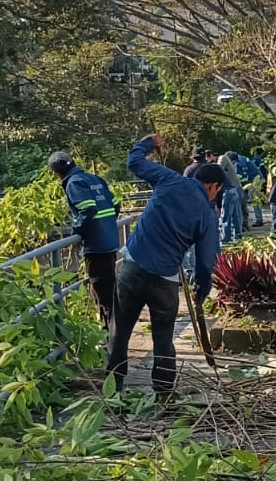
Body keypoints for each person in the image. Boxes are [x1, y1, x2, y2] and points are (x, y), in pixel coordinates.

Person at [114, 133, 222, 396]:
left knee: (120, 331)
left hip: (132, 268)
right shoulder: (206, 215)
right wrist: (202, 290)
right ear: (213, 186)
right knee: (163, 337)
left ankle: (113, 386)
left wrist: (148, 142)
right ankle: (163, 393)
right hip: (164, 280)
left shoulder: (168, 178)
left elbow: (134, 161)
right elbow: (206, 260)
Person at [49, 151, 122, 342]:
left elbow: (87, 209)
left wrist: (78, 230)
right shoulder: (94, 178)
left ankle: (111, 340)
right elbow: (115, 205)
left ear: (57, 173)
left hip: (96, 245)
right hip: (109, 240)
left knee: (102, 292)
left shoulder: (74, 183)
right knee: (110, 287)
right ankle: (115, 335)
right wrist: (106, 226)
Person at [218, 151, 244, 244]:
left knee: (226, 216)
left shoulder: (223, 158)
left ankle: (225, 240)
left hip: (229, 191)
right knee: (236, 215)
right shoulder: (229, 166)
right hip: (236, 190)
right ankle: (238, 237)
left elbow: (218, 170)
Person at [236, 152, 265, 227]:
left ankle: (259, 220)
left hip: (255, 180)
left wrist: (243, 186)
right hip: (255, 178)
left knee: (255, 199)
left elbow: (243, 176)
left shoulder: (239, 162)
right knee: (253, 198)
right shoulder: (240, 158)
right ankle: (257, 219)